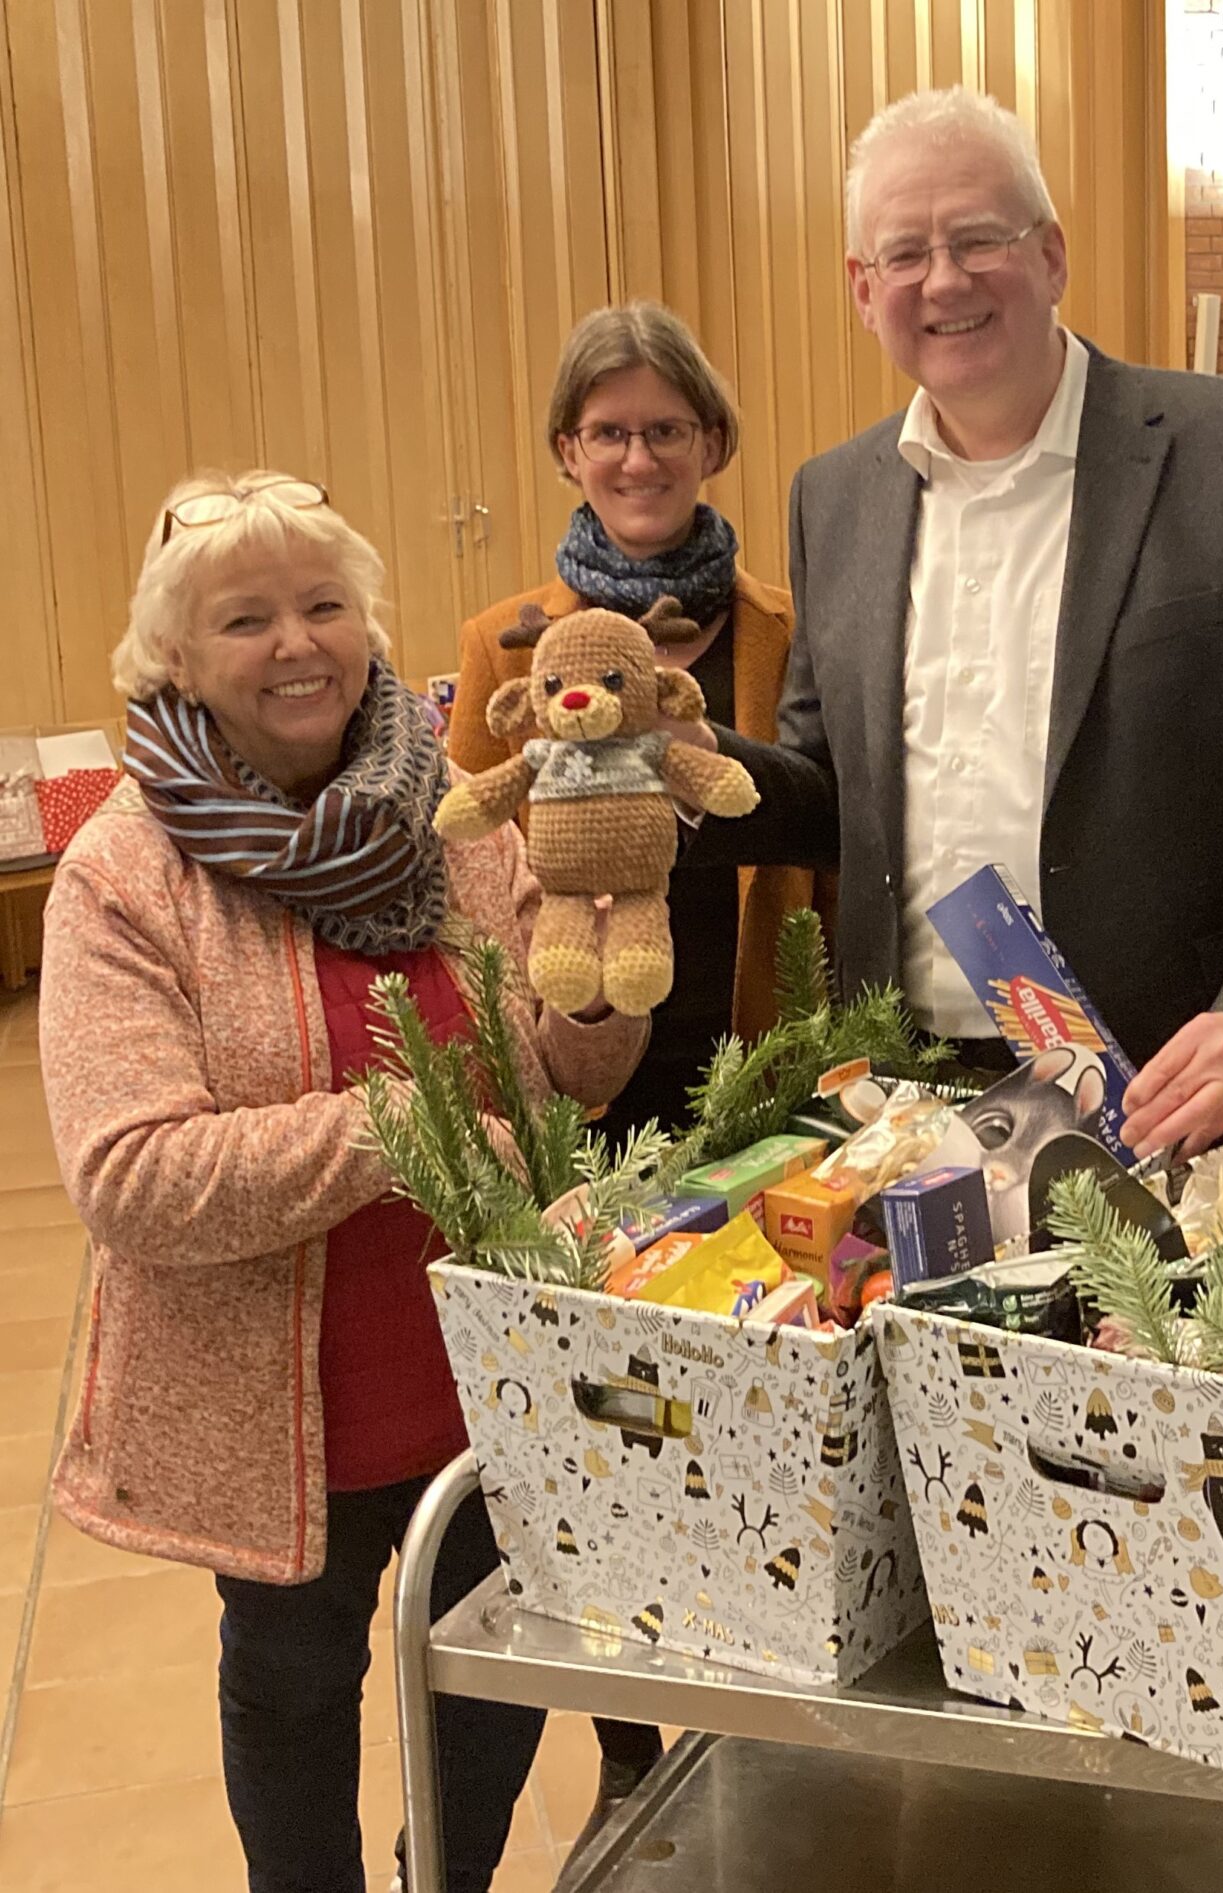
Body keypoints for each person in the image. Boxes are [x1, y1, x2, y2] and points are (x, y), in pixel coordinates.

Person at [41, 473, 647, 1893]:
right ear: (173, 660)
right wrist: (416, 1128)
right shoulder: (125, 872)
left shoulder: (459, 814)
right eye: (245, 618)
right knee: (294, 1691)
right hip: (277, 1403)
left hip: (490, 1374)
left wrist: (608, 985)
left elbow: (572, 1078)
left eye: (323, 604)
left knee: (491, 1678)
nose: (297, 642)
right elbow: (131, 1174)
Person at [694, 87, 1223, 1149]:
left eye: (979, 237)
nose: (943, 279)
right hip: (910, 1094)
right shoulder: (830, 498)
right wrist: (683, 760)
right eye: (904, 253)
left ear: (1053, 255)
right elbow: (829, 790)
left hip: (1171, 1083)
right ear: (861, 288)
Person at [448, 302, 800, 1812]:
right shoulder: (506, 642)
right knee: (606, 1402)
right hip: (584, 1054)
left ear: (714, 443)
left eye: (667, 427)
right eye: (609, 430)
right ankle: (628, 1745)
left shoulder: (787, 623)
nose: (639, 454)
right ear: (565, 453)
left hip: (753, 1054)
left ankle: (753, 1691)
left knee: (749, 1388)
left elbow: (819, 821)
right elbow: (469, 858)